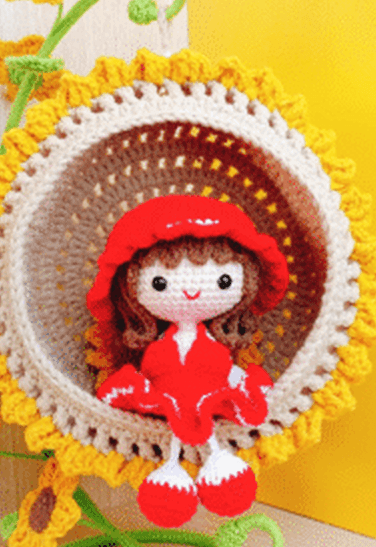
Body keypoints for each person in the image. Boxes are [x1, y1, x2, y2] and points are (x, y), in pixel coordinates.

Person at [86, 195, 289, 527]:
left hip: (214, 395)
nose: (191, 294)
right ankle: (170, 476)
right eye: (160, 283)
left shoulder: (214, 345)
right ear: (130, 288)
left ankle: (220, 470)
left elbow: (229, 372)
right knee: (176, 434)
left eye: (223, 281)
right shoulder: (159, 345)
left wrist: (243, 383)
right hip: (161, 398)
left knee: (206, 428)